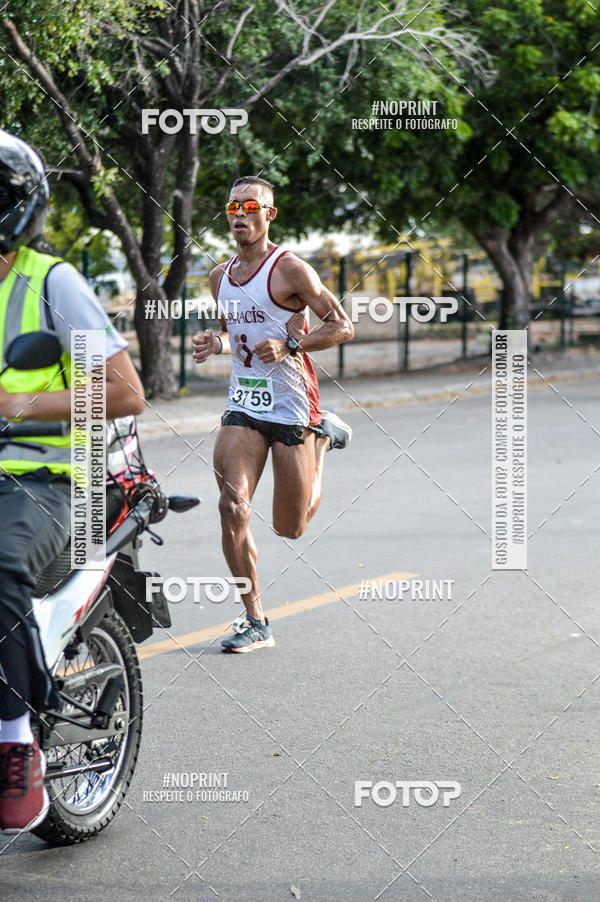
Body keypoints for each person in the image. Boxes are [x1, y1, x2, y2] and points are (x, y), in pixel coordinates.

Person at [0, 130, 145, 832]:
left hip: (49, 480)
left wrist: (15, 406)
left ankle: (14, 744)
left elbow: (121, 392)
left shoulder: (51, 284)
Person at [192, 175, 354, 653]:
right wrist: (214, 343)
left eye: (250, 206)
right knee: (231, 506)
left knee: (291, 526)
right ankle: (255, 619)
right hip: (244, 400)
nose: (239, 213)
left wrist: (291, 343)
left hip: (292, 401)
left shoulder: (291, 270)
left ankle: (322, 439)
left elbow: (341, 326)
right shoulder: (220, 276)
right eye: (232, 206)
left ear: (269, 215)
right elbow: (234, 331)